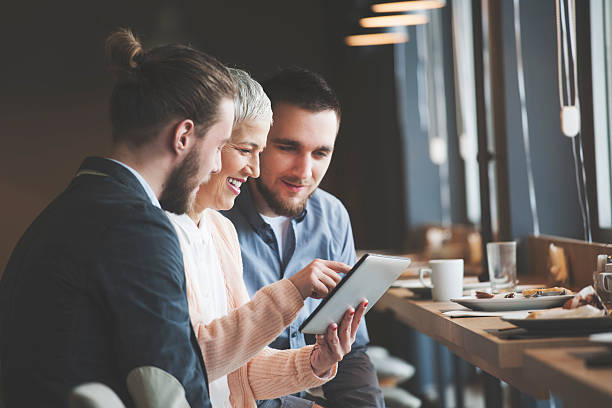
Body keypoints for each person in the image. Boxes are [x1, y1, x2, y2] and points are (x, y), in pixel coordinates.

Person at [0, 29, 234, 407]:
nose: (218, 165)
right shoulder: (139, 227)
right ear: (184, 136)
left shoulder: (63, 213)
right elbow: (169, 389)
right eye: (220, 145)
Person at [165, 68, 367, 408]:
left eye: (321, 153)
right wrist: (293, 291)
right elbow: (194, 362)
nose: (254, 169)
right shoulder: (159, 235)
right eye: (246, 149)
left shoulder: (219, 230)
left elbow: (241, 370)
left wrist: (317, 361)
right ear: (198, 142)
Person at [223, 67, 385, 407]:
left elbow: (351, 352)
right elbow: (221, 371)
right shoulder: (215, 221)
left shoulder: (333, 217)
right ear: (257, 141)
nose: (304, 171)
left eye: (320, 153)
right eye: (287, 147)